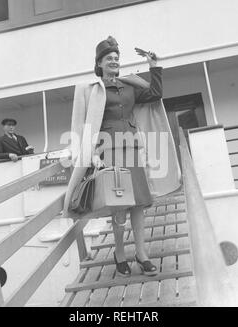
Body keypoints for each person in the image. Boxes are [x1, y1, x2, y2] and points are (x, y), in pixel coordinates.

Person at [63, 36, 181, 277]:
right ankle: (119, 253)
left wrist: (154, 66)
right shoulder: (91, 91)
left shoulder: (129, 87)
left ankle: (142, 254)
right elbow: (83, 126)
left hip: (133, 149)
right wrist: (92, 153)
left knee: (138, 203)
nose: (114, 61)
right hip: (109, 152)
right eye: (109, 59)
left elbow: (156, 94)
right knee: (119, 205)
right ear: (100, 63)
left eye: (117, 58)